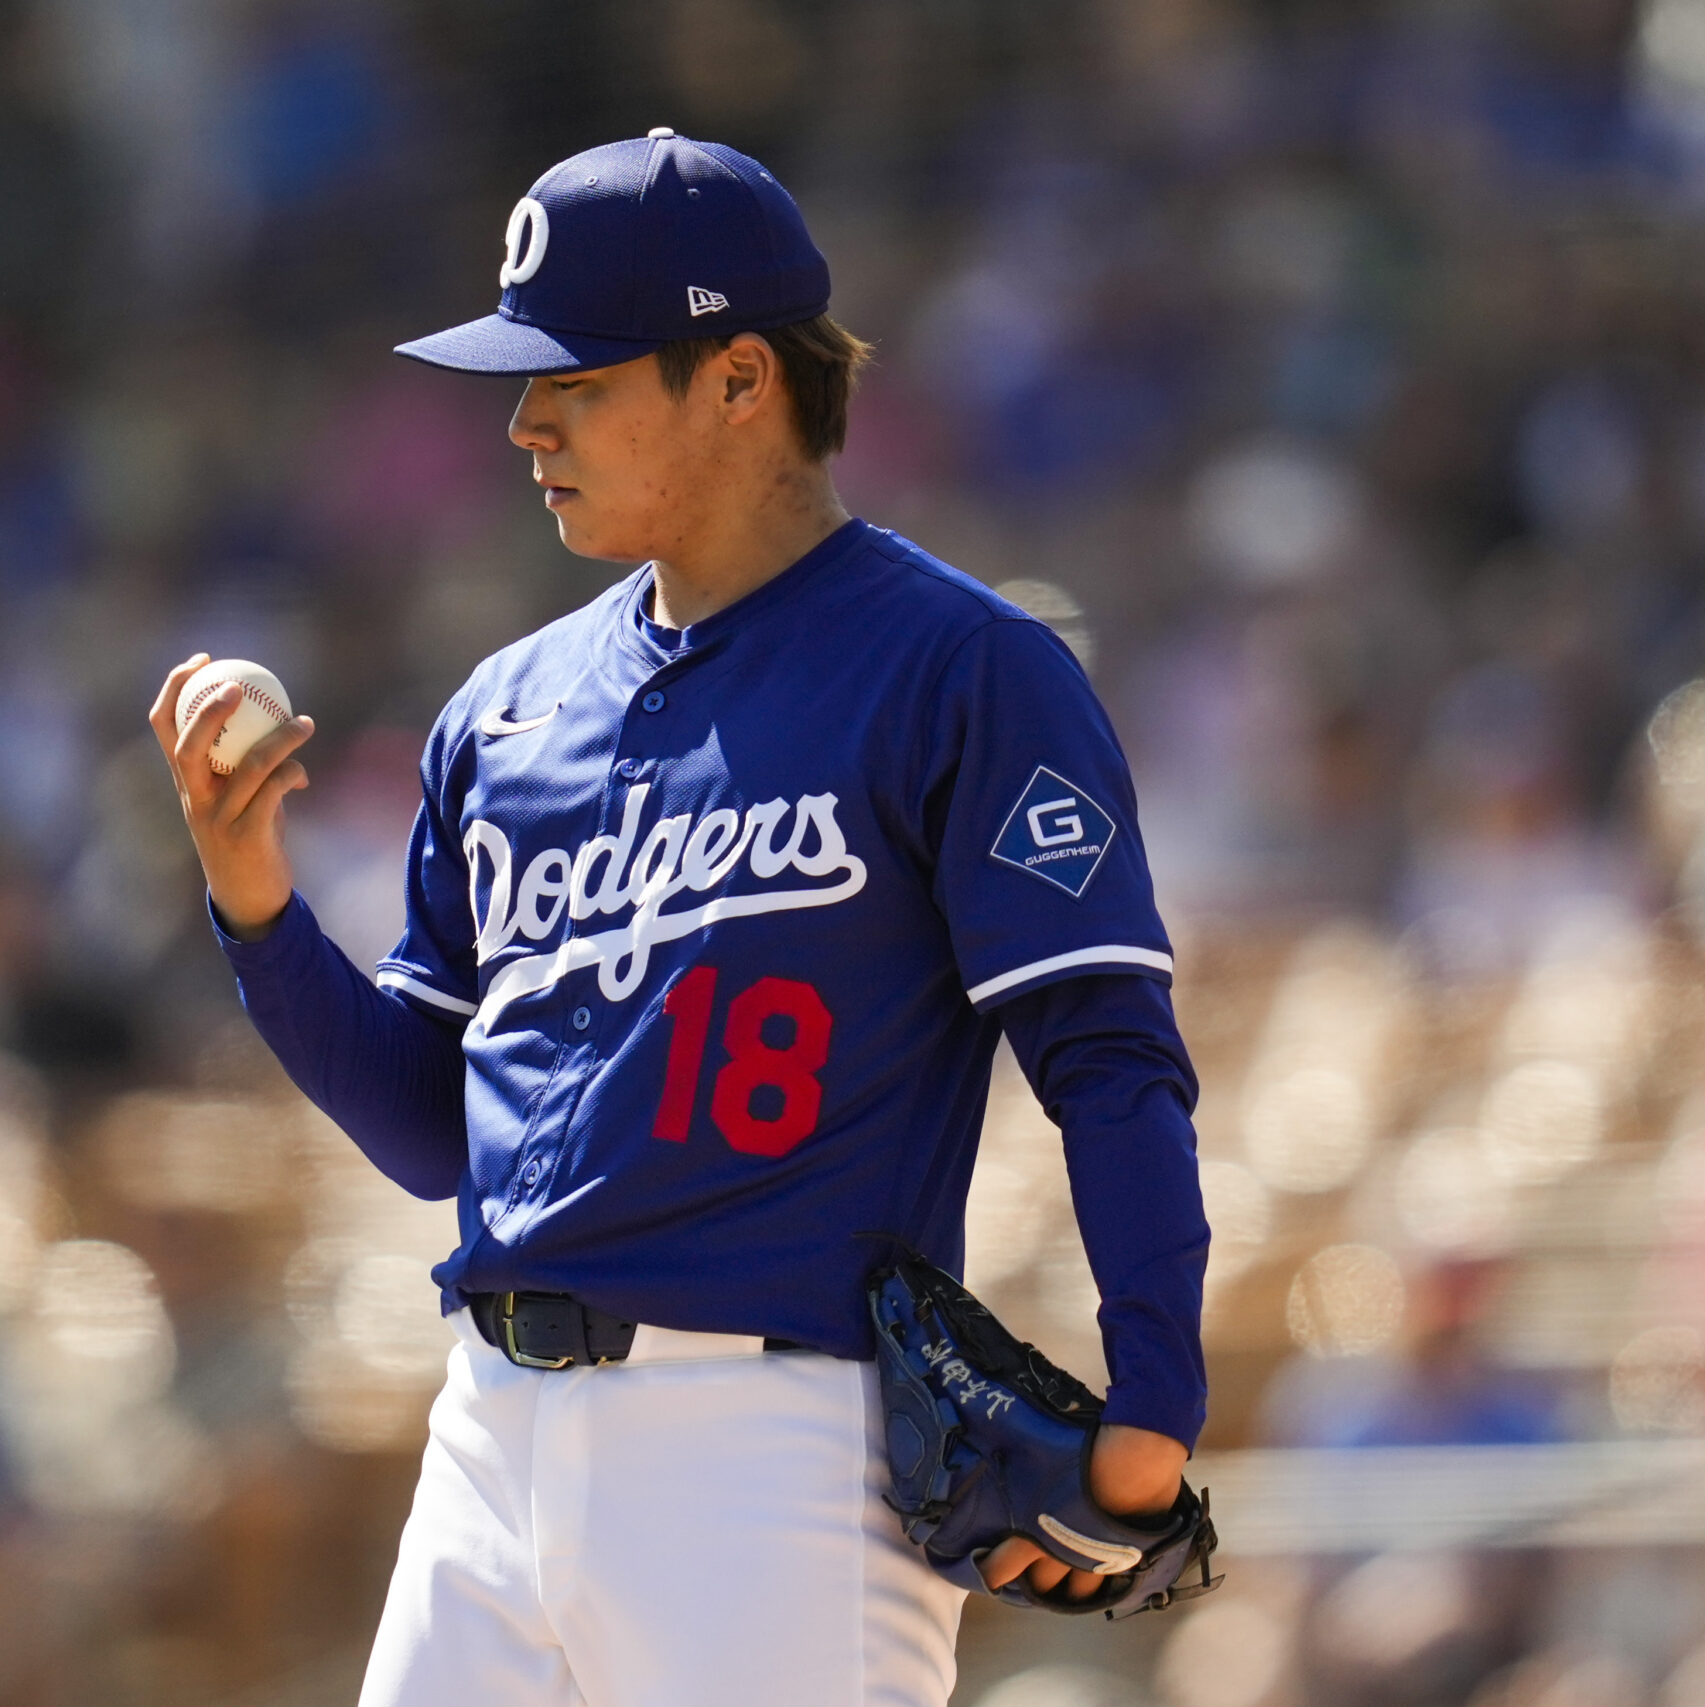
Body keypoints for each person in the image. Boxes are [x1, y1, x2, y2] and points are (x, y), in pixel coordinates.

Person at [151, 129, 1209, 1707]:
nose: (523, 424)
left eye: (574, 379)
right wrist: (257, 908)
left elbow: (1109, 1057)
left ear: (737, 379)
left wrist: (1156, 1403)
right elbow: (436, 1134)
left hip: (774, 1454)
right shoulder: (504, 714)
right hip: (490, 1428)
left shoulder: (960, 669)